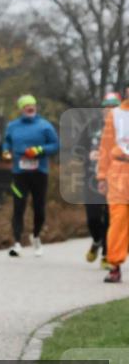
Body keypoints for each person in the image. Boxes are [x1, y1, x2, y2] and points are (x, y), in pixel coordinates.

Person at [2, 95, 59, 257]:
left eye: (32, 105)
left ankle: (36, 236)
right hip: (19, 173)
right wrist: (5, 151)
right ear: (21, 109)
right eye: (26, 105)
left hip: (39, 172)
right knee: (18, 206)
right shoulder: (13, 126)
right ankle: (17, 243)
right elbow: (7, 142)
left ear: (36, 107)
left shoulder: (44, 125)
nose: (30, 107)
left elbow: (55, 145)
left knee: (39, 208)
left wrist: (39, 150)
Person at [82, 92, 120, 266]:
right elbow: (77, 148)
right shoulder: (92, 126)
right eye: (107, 106)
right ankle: (97, 240)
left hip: (115, 179)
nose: (110, 110)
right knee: (93, 218)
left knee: (110, 218)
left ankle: (106, 254)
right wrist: (88, 155)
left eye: (114, 106)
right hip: (92, 178)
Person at [96, 89, 129, 283]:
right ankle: (115, 265)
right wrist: (102, 176)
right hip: (119, 171)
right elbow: (106, 147)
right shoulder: (115, 115)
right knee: (118, 219)